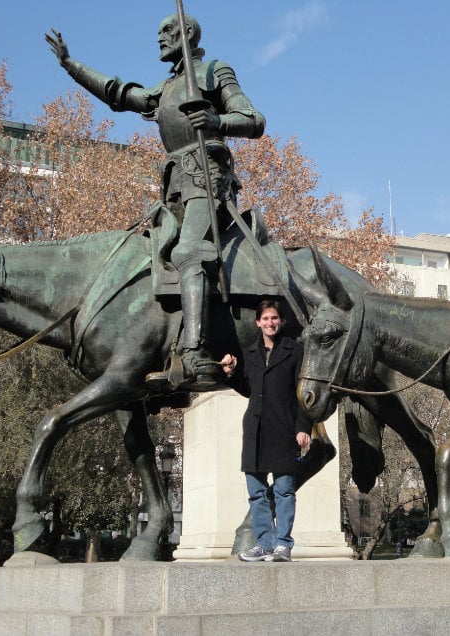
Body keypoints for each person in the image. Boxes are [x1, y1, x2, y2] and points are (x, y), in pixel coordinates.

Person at [45, 14, 266, 390]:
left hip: (207, 179)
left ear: (189, 33)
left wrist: (217, 120)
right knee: (146, 261)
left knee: (190, 251)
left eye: (167, 31)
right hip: (175, 186)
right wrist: (72, 66)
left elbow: (254, 119)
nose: (160, 38)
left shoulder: (214, 70)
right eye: (159, 33)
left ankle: (196, 352)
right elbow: (121, 94)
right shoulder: (166, 88)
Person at [220, 299, 312, 562]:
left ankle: (283, 544)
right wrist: (231, 373)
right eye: (265, 319)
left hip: (284, 430)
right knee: (256, 492)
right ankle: (265, 544)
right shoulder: (249, 353)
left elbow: (302, 393)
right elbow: (249, 390)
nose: (270, 323)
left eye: (274, 318)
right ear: (258, 322)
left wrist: (303, 427)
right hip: (255, 431)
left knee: (284, 490)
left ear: (280, 321)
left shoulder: (295, 350)